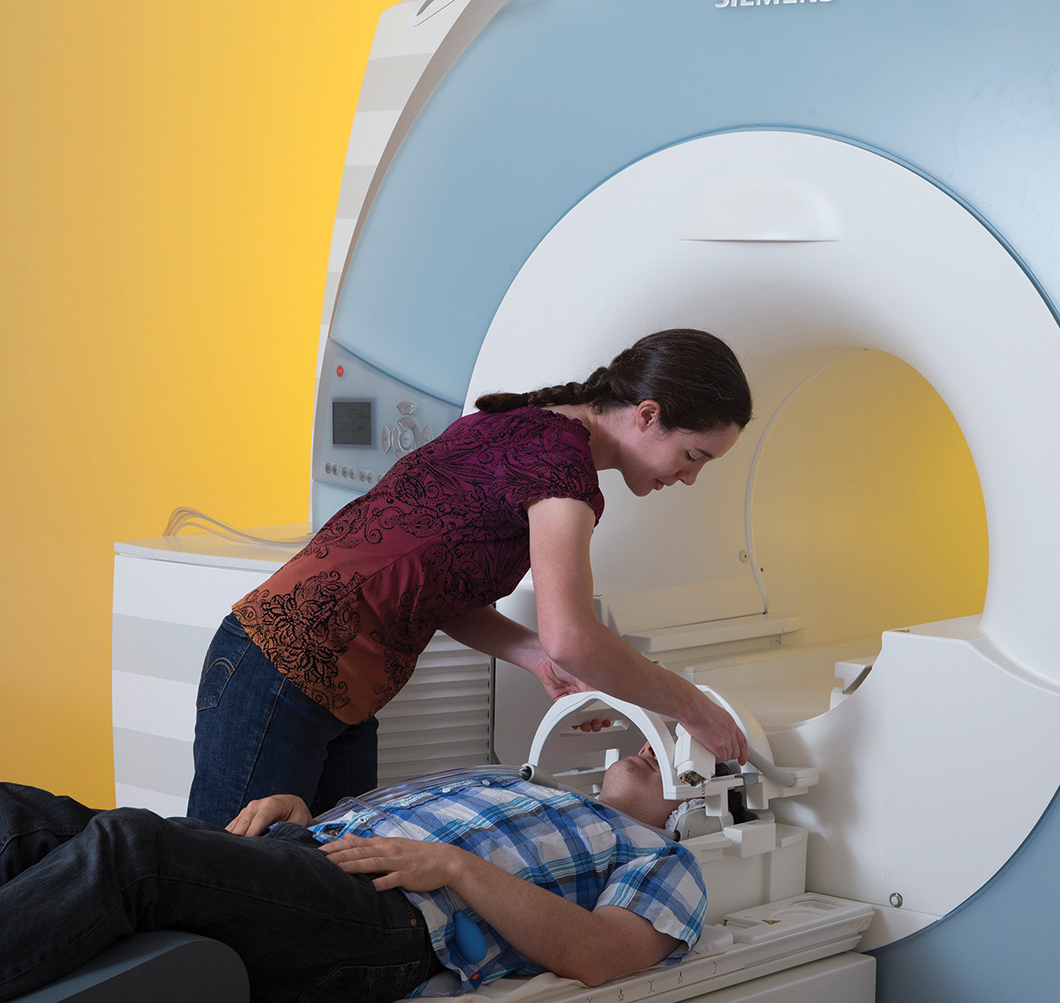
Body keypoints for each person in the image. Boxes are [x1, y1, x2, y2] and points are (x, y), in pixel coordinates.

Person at [189, 329, 754, 826]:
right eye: (692, 455)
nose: (690, 478)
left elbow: (434, 586)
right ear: (648, 415)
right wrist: (694, 708)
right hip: (282, 669)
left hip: (336, 694)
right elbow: (574, 637)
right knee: (229, 889)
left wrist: (534, 654)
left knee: (326, 893)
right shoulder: (561, 465)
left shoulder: (525, 427)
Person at [0, 745, 701, 1003]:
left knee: (132, 852)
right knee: (20, 815)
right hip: (307, 852)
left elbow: (598, 954)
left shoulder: (659, 854)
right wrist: (307, 814)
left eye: (674, 754)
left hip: (386, 919)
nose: (648, 747)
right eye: (650, 734)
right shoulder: (514, 776)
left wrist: (456, 867)